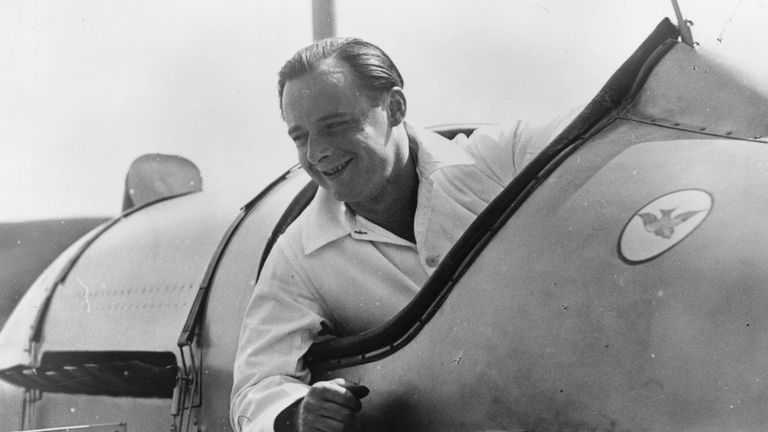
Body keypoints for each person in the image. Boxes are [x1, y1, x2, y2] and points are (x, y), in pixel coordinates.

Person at [230, 37, 573, 432]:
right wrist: (296, 414)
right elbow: (255, 387)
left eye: (335, 125)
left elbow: (610, 125)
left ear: (395, 107)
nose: (318, 152)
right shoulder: (298, 256)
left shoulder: (502, 160)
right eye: (300, 137)